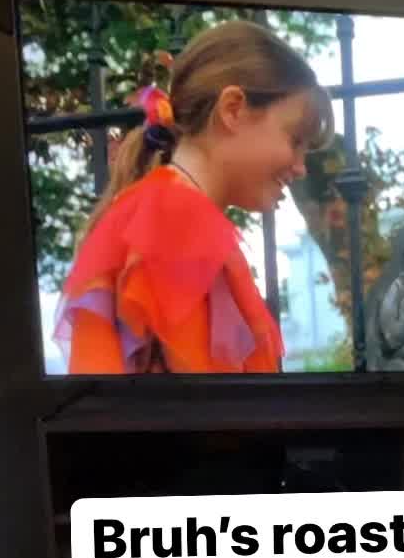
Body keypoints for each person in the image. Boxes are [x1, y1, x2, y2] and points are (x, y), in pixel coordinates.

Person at [54, 20, 334, 374]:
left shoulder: (161, 212)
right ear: (233, 109)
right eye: (295, 140)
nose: (300, 167)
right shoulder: (176, 222)